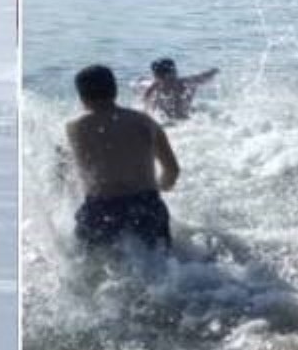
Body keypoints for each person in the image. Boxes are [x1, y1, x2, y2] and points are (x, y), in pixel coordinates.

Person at [66, 65, 180, 252]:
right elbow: (172, 170)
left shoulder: (75, 127)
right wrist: (161, 187)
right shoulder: (145, 122)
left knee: (89, 263)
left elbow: (66, 167)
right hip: (146, 205)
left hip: (101, 209)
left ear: (82, 97)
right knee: (161, 260)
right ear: (115, 90)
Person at [141, 57, 218, 121]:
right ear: (157, 77)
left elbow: (204, 76)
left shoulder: (186, 83)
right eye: (166, 77)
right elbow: (146, 107)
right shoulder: (152, 89)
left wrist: (214, 71)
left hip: (186, 120)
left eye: (172, 75)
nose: (170, 80)